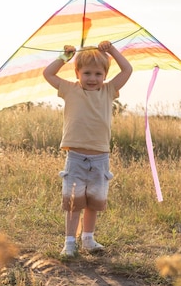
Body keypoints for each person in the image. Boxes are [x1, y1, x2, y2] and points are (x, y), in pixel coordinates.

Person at [43, 41, 133, 257]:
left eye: (98, 74)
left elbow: (127, 69)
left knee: (94, 202)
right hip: (75, 157)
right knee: (73, 203)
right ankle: (70, 242)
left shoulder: (109, 90)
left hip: (100, 158)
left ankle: (88, 239)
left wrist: (111, 51)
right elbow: (48, 74)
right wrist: (66, 56)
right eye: (87, 73)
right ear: (77, 73)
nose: (92, 78)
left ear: (104, 75)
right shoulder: (70, 89)